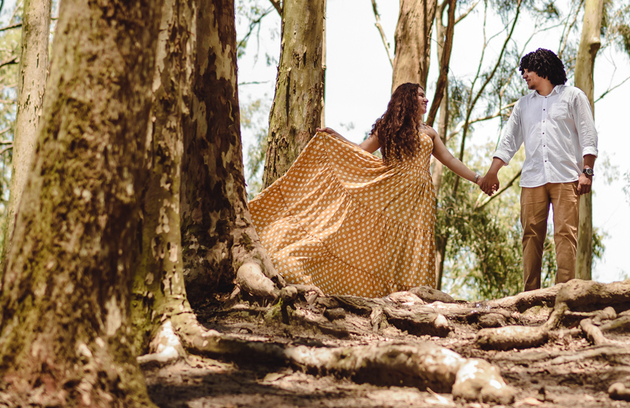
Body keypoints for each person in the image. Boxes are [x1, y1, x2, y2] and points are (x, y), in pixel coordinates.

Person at [247, 83, 485, 298]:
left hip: (420, 201)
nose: (426, 99)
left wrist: (478, 178)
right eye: (420, 95)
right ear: (407, 100)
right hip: (390, 194)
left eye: (425, 95)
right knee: (379, 245)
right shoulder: (388, 128)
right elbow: (361, 150)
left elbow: (450, 159)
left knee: (412, 246)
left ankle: (411, 296)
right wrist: (336, 137)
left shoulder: (429, 132)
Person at [478, 48, 599, 292]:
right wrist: (493, 171)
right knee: (530, 237)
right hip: (532, 179)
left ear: (542, 68)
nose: (523, 74)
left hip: (566, 177)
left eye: (527, 69)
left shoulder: (573, 96)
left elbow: (588, 134)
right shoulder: (523, 105)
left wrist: (587, 171)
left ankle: (563, 294)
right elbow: (509, 141)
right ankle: (530, 295)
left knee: (565, 236)